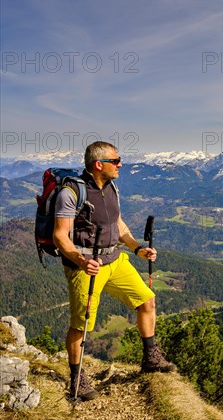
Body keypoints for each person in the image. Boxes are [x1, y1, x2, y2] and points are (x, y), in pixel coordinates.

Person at [53, 141, 176, 401]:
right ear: (99, 165)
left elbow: (117, 225)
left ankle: (151, 357)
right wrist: (80, 260)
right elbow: (60, 236)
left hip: (115, 260)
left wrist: (137, 248)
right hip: (86, 266)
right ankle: (77, 377)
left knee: (147, 301)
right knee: (82, 324)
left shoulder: (111, 188)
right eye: (115, 161)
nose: (120, 165)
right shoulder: (72, 193)